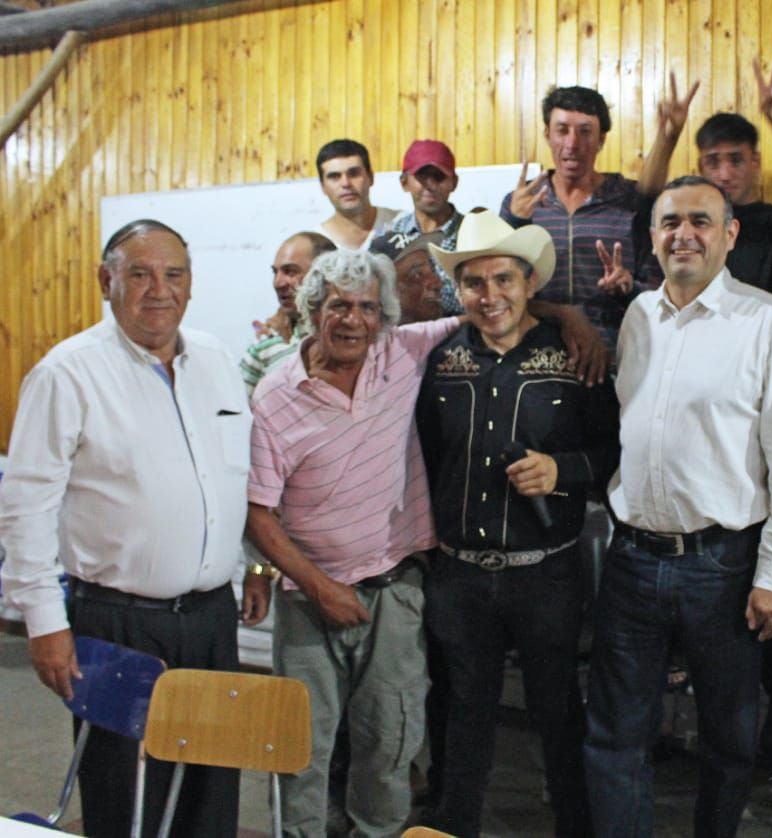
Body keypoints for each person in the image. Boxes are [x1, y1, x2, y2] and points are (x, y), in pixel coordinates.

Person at [0, 219, 254, 837]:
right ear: (105, 281)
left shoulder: (217, 361)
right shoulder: (67, 374)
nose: (157, 290)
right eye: (138, 274)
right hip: (115, 624)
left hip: (210, 621)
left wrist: (248, 564)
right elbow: (25, 504)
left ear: (190, 285)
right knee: (124, 796)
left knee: (209, 794)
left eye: (173, 275)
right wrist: (45, 624)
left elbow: (230, 477)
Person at [584, 176, 772, 837]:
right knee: (614, 738)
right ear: (653, 236)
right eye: (670, 221)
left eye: (701, 221)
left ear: (730, 234)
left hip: (723, 566)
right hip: (630, 560)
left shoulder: (765, 320)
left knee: (729, 739)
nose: (684, 233)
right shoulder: (637, 316)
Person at [415, 211, 618, 838]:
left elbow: (615, 452)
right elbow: (418, 455)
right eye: (474, 282)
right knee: (463, 713)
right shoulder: (437, 359)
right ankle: (454, 827)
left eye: (503, 279)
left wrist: (564, 471)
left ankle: (574, 826)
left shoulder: (575, 356)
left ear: (530, 284)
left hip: (547, 572)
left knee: (557, 711)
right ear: (460, 290)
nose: (489, 295)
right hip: (459, 574)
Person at [243, 249, 458, 837]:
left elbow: (489, 312)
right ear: (313, 309)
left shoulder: (402, 352)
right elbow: (258, 516)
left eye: (367, 307)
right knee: (299, 750)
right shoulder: (275, 396)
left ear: (383, 316)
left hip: (393, 592)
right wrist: (320, 588)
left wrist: (564, 317)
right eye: (339, 305)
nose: (353, 320)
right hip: (307, 601)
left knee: (389, 746)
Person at [640, 58, 772, 309]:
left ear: (755, 162)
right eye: (714, 162)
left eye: (736, 160)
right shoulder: (687, 228)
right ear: (701, 167)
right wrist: (668, 137)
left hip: (763, 344)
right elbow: (646, 202)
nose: (725, 174)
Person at [499, 85, 660, 352]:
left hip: (618, 355)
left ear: (602, 140)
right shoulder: (521, 202)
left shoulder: (630, 201)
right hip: (538, 356)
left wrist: (629, 287)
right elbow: (500, 286)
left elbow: (658, 288)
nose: (572, 144)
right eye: (562, 130)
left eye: (585, 132)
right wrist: (515, 223)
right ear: (547, 134)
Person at [240, 231, 336, 392]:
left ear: (326, 274)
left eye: (290, 271)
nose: (278, 283)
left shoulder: (358, 338)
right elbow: (237, 411)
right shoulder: (266, 345)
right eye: (275, 272)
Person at [387, 138, 467, 317]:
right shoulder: (392, 233)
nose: (430, 185)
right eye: (422, 176)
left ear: (454, 182)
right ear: (404, 182)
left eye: (439, 176)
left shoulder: (473, 232)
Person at [315, 138, 399, 250]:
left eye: (354, 173)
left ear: (370, 177)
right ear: (323, 186)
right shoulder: (314, 244)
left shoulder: (403, 225)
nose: (346, 183)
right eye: (334, 177)